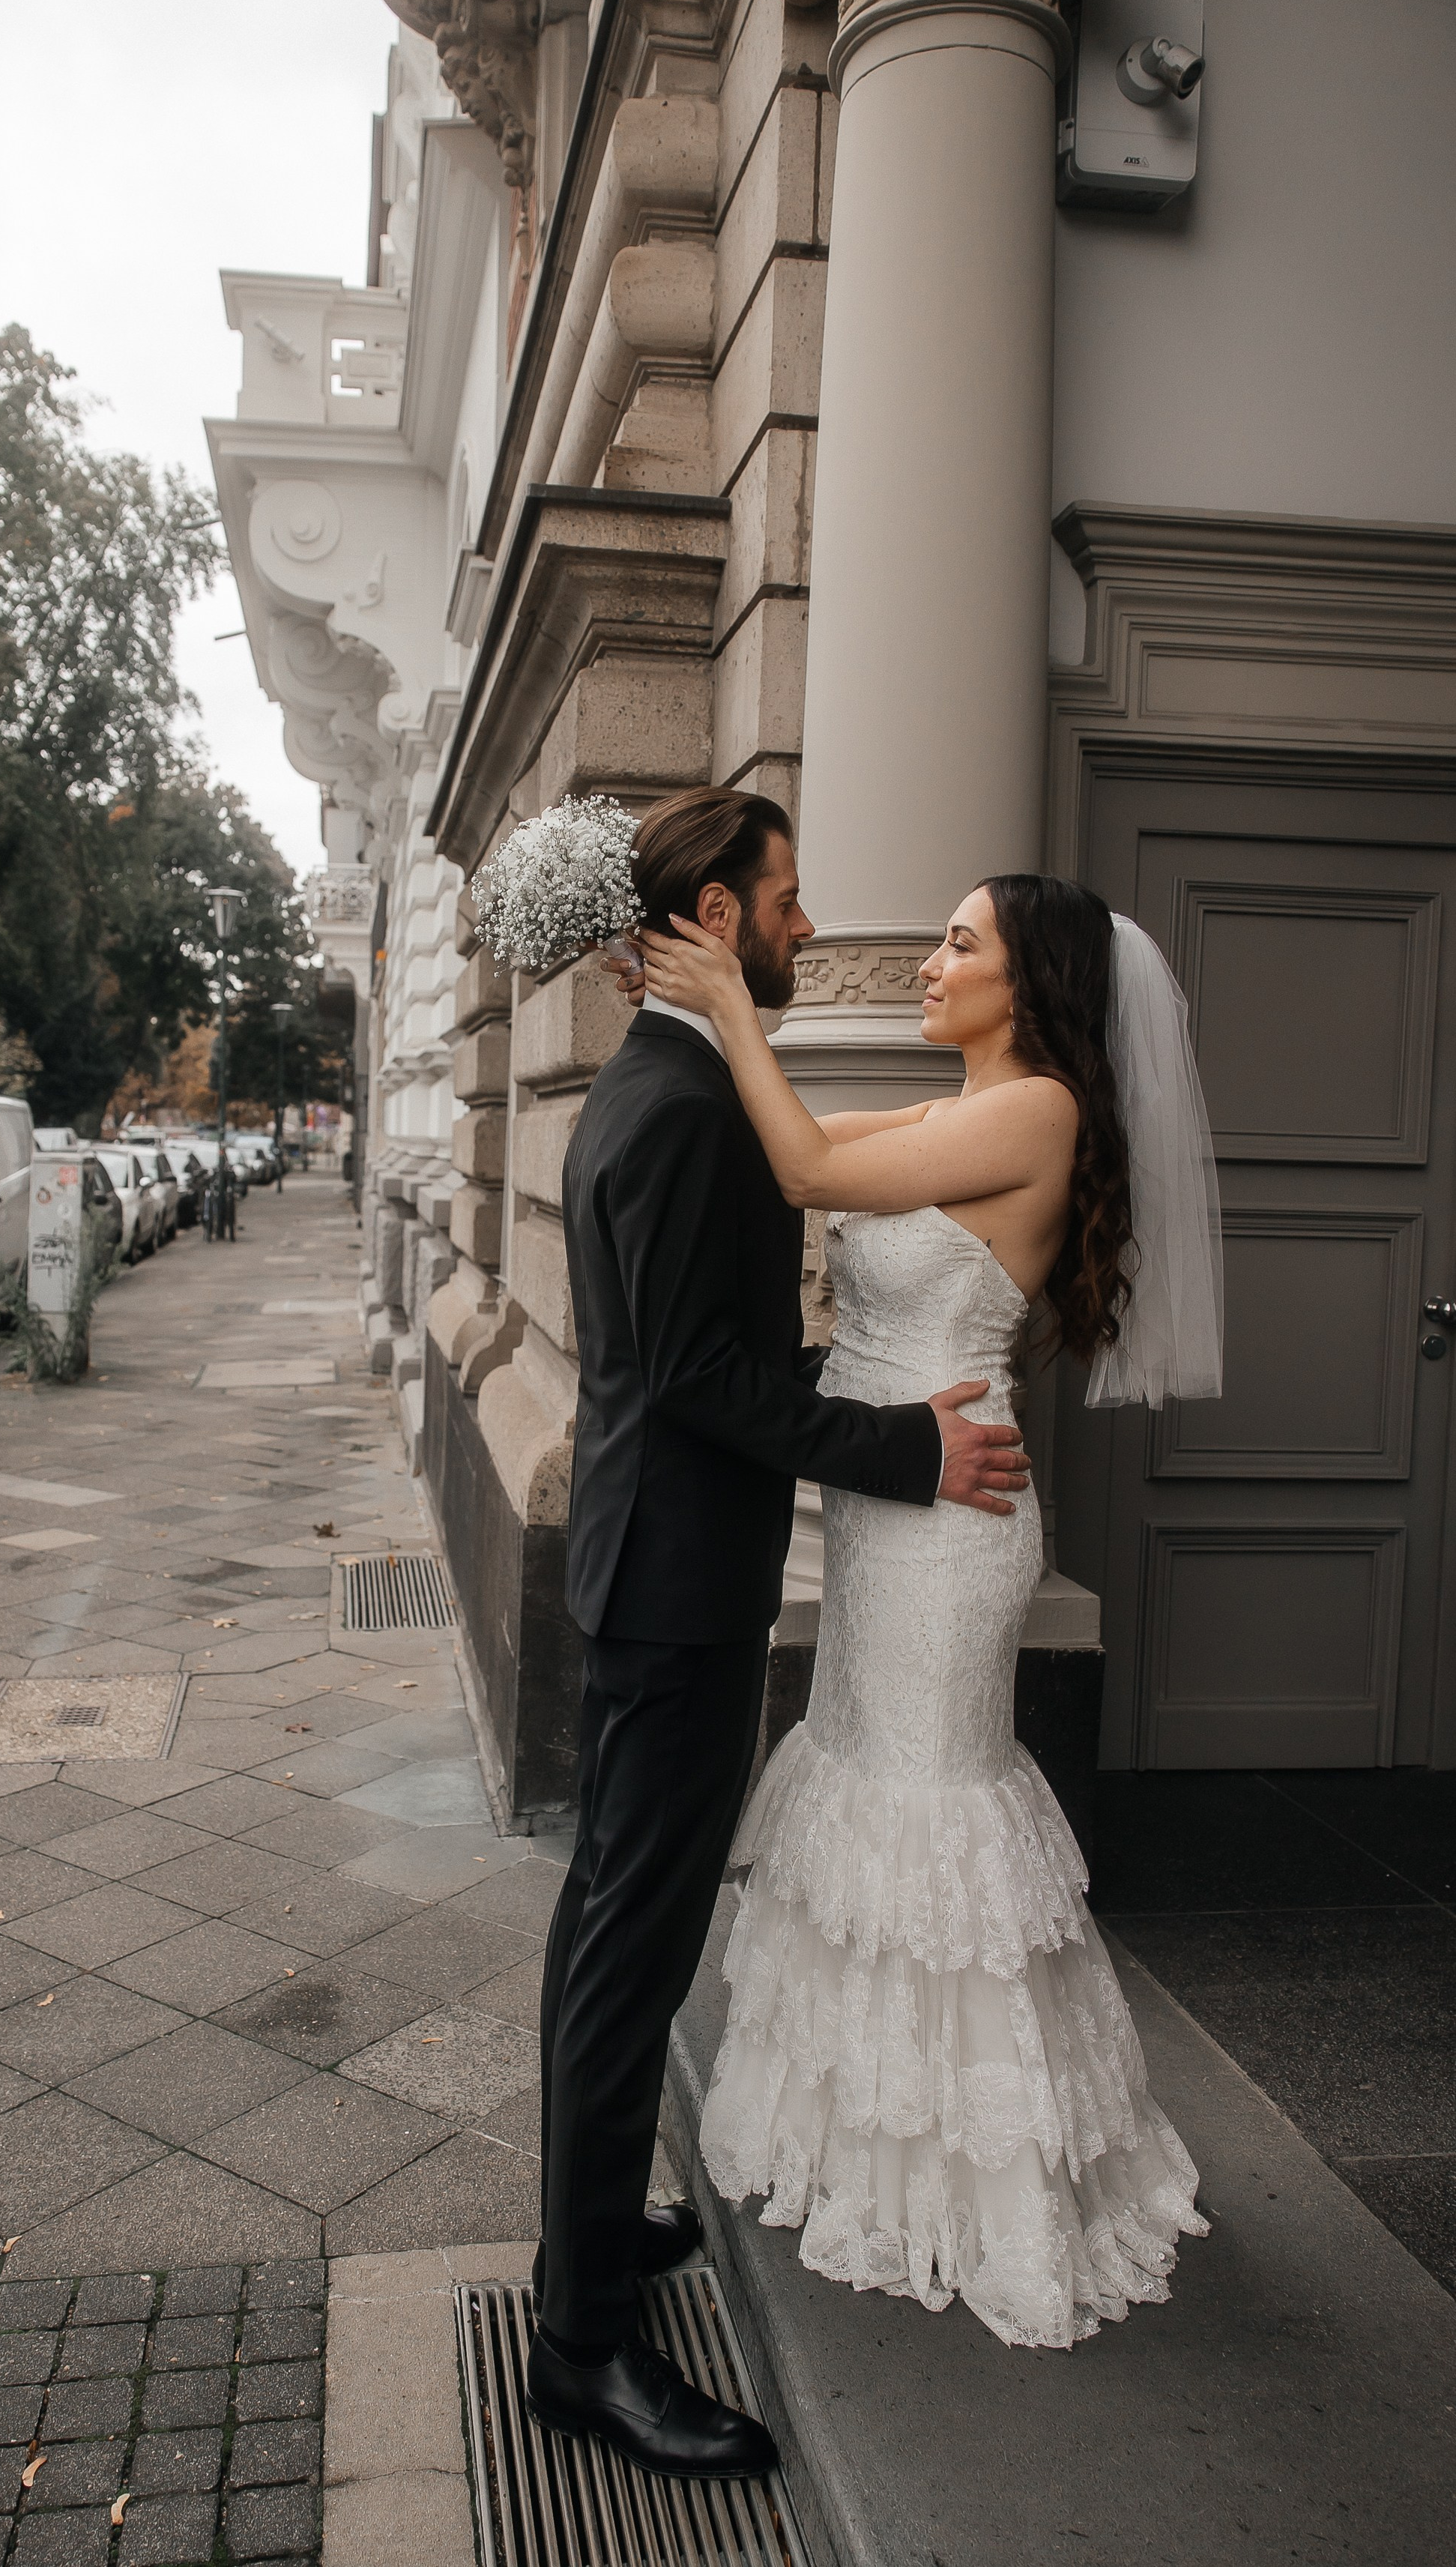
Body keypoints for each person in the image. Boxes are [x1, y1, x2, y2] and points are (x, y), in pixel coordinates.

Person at [635, 866, 1222, 2350]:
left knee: (928, 1810)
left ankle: (982, 2184)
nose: (927, 961)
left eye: (959, 944)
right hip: (886, 1507)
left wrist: (727, 1004)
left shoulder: (1037, 1112)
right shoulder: (959, 1106)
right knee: (863, 1782)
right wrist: (696, 1025)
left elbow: (805, 1174)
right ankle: (858, 2141)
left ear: (1030, 984)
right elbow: (799, 1144)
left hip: (953, 1529)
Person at [527, 787, 1030, 2480]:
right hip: (673, 1590)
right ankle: (582, 2349)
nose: (808, 927)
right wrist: (901, 1445)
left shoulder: (666, 1078)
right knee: (629, 1956)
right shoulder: (681, 1107)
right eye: (790, 899)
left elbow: (707, 1357)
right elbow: (700, 1381)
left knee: (608, 1936)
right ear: (718, 918)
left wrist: (866, 1396)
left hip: (657, 1573)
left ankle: (592, 2237)